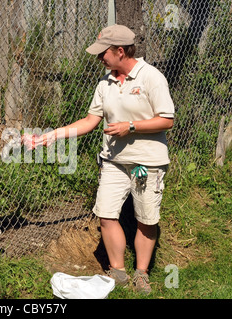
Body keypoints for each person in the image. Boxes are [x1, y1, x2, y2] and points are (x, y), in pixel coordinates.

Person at [23, 24, 175, 294]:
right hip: (114, 160)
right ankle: (118, 272)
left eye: (102, 53)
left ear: (120, 51)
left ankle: (141, 273)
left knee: (146, 219)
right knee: (105, 214)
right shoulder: (105, 82)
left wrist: (131, 126)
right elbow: (90, 121)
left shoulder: (151, 77)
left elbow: (167, 120)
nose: (99, 58)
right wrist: (52, 136)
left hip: (146, 162)